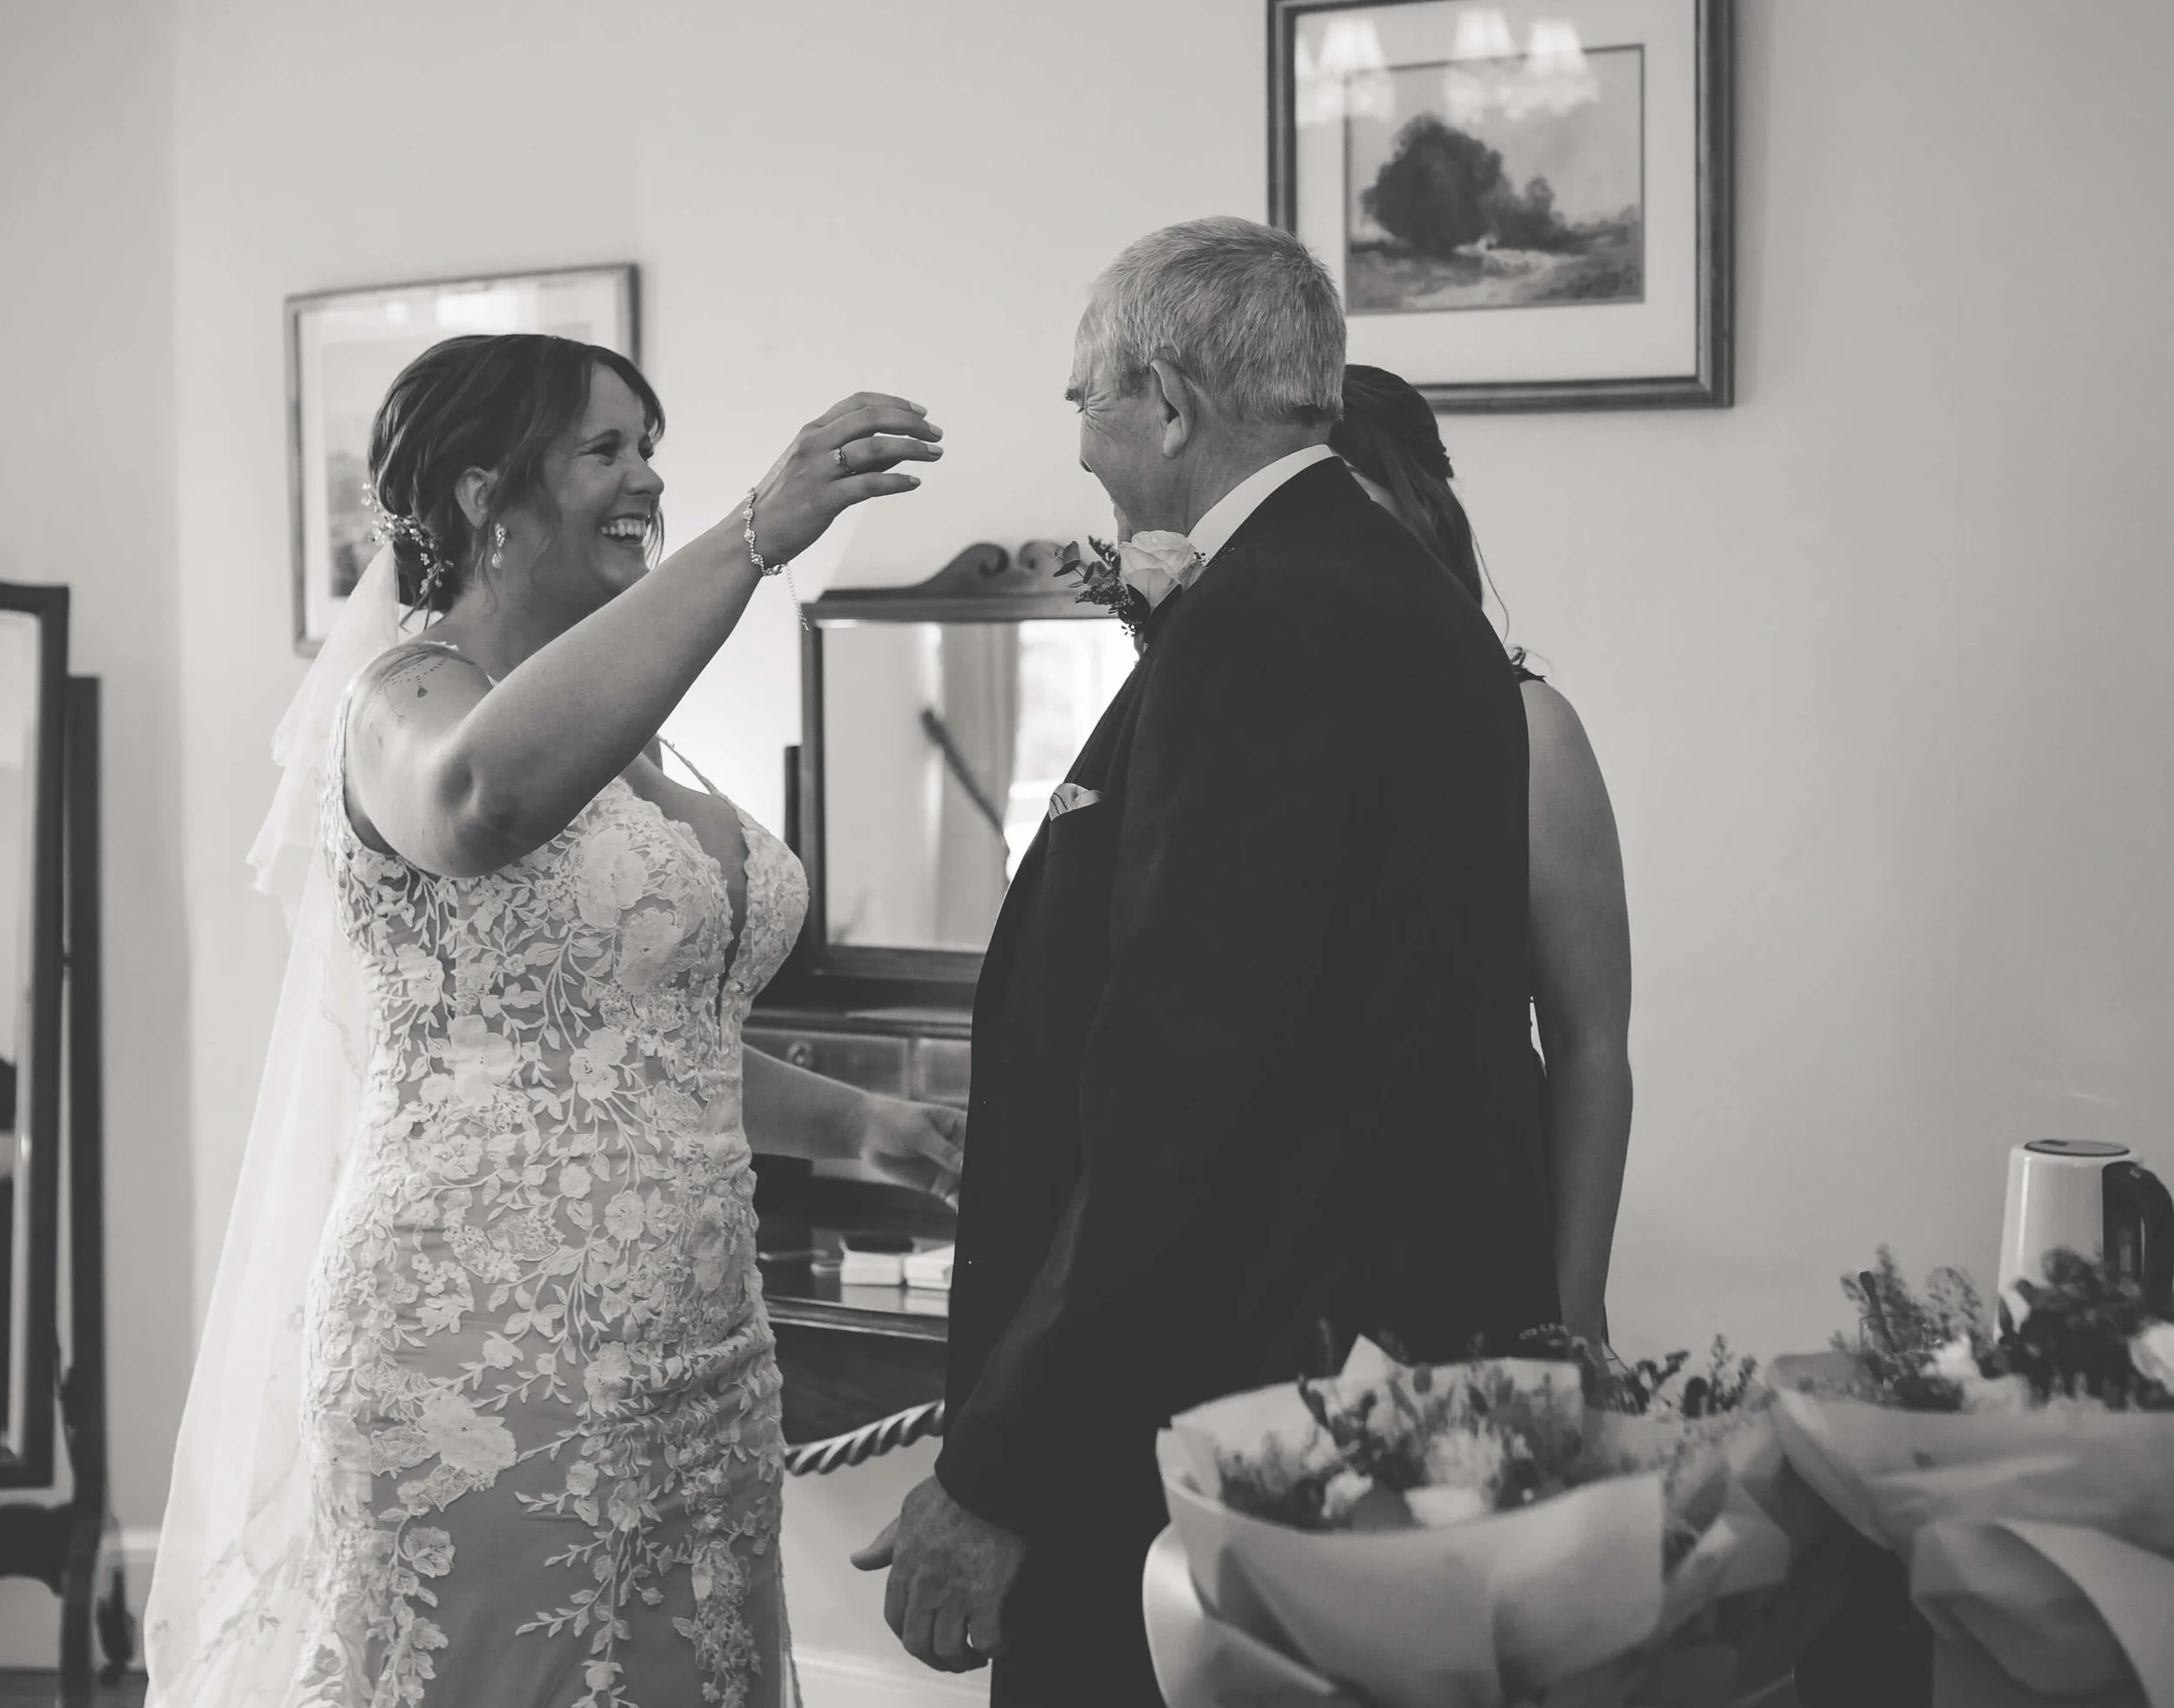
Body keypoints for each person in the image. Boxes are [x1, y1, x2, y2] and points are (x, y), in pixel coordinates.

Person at [146, 335, 963, 1708]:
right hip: (485, 1351)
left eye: (654, 447)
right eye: (608, 449)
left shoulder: (642, 736)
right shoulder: (403, 707)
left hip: (702, 1346)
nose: (647, 476)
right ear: (482, 495)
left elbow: (635, 1031)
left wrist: (865, 1122)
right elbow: (483, 806)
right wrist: (756, 535)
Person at [856, 217, 1560, 1704]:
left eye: (1085, 399)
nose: (1082, 442)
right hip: (1343, 1367)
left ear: (1168, 403)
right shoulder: (1401, 598)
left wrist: (1002, 1467)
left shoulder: (1263, 625)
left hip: (1202, 1406)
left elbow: (1189, 1085)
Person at [1330, 364, 1633, 1348]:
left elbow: (1590, 1047)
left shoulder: (1527, 731)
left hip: (1460, 1241)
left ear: (1414, 514)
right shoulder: (1219, 729)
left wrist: (1574, 1309)